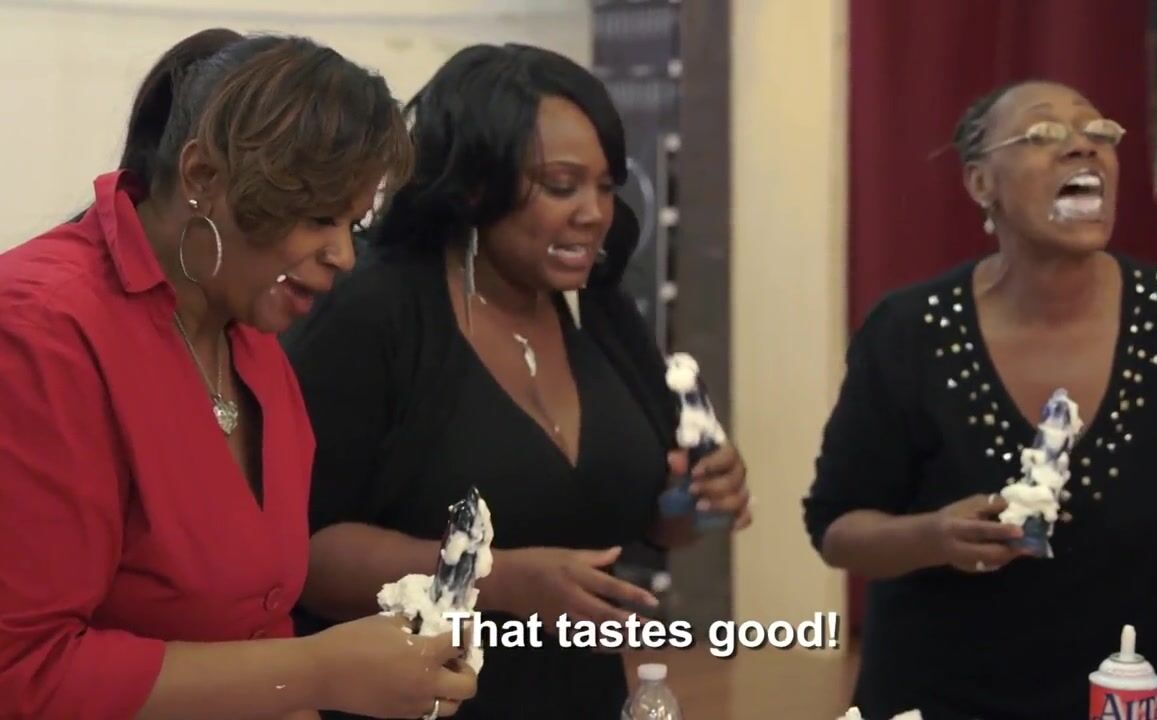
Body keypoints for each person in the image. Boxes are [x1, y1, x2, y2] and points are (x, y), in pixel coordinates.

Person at [0, 30, 476, 720]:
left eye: (353, 222)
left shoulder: (245, 331)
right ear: (202, 177)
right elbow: (22, 673)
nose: (343, 255)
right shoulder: (41, 331)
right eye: (319, 217)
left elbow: (253, 629)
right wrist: (319, 672)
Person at [282, 43, 753, 719]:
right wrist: (495, 578)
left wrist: (692, 500)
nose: (594, 213)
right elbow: (303, 555)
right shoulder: (375, 312)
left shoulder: (599, 309)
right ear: (475, 186)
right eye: (562, 186)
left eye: (606, 187)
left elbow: (643, 518)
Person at [803, 80, 1157, 719]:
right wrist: (934, 536)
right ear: (980, 182)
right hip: (939, 696)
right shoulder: (909, 331)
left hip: (1123, 692)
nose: (1082, 147)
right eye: (1043, 134)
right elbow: (837, 529)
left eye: (1098, 132)